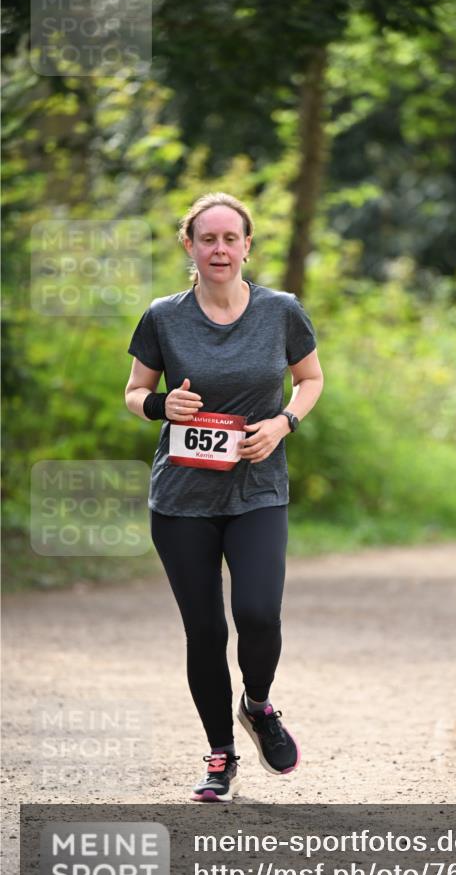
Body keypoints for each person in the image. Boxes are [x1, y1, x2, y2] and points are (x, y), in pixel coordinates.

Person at [124, 192, 324, 802]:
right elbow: (134, 392)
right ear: (189, 245)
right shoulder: (164, 316)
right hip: (182, 499)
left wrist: (283, 423)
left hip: (257, 490)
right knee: (206, 632)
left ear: (246, 245)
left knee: (259, 615)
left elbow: (310, 378)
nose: (219, 249)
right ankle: (220, 755)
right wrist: (162, 406)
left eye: (230, 239)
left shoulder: (280, 311)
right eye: (207, 239)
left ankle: (258, 705)